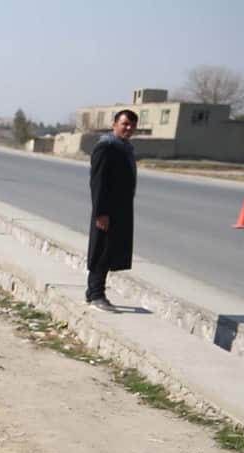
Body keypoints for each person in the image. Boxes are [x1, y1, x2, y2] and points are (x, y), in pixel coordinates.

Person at [86, 109, 138, 312]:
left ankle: (93, 293)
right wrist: (101, 213)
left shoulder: (124, 148)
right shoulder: (106, 147)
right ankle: (97, 294)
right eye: (124, 124)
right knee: (102, 251)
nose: (128, 128)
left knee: (110, 250)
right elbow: (97, 182)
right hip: (106, 211)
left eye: (132, 125)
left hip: (119, 209)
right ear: (114, 124)